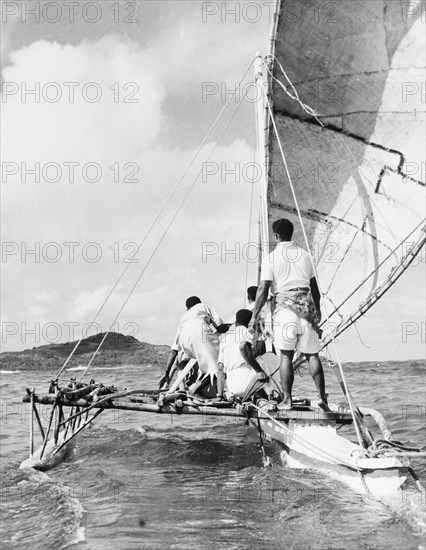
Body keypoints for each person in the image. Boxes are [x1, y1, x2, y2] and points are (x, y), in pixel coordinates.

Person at [249, 218, 329, 411]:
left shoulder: (270, 258)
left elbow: (263, 289)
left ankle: (287, 400)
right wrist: (316, 311)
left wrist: (254, 316)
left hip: (285, 312)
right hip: (307, 310)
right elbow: (315, 289)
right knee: (312, 356)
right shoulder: (306, 255)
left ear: (276, 236)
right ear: (291, 233)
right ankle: (322, 398)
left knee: (286, 357)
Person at [159, 296, 229, 389]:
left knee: (205, 365)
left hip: (185, 344)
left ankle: (199, 387)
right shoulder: (203, 306)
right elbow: (220, 327)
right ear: (199, 303)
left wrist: (166, 373)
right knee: (219, 363)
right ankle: (199, 391)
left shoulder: (183, 317)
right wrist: (233, 324)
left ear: (187, 308)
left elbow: (174, 351)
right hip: (200, 333)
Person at [217, 309, 268, 399]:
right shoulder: (250, 333)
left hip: (232, 386)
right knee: (269, 359)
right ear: (250, 322)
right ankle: (273, 395)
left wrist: (220, 396)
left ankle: (226, 395)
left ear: (236, 323)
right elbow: (243, 347)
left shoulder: (225, 338)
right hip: (248, 384)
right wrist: (259, 371)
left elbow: (220, 368)